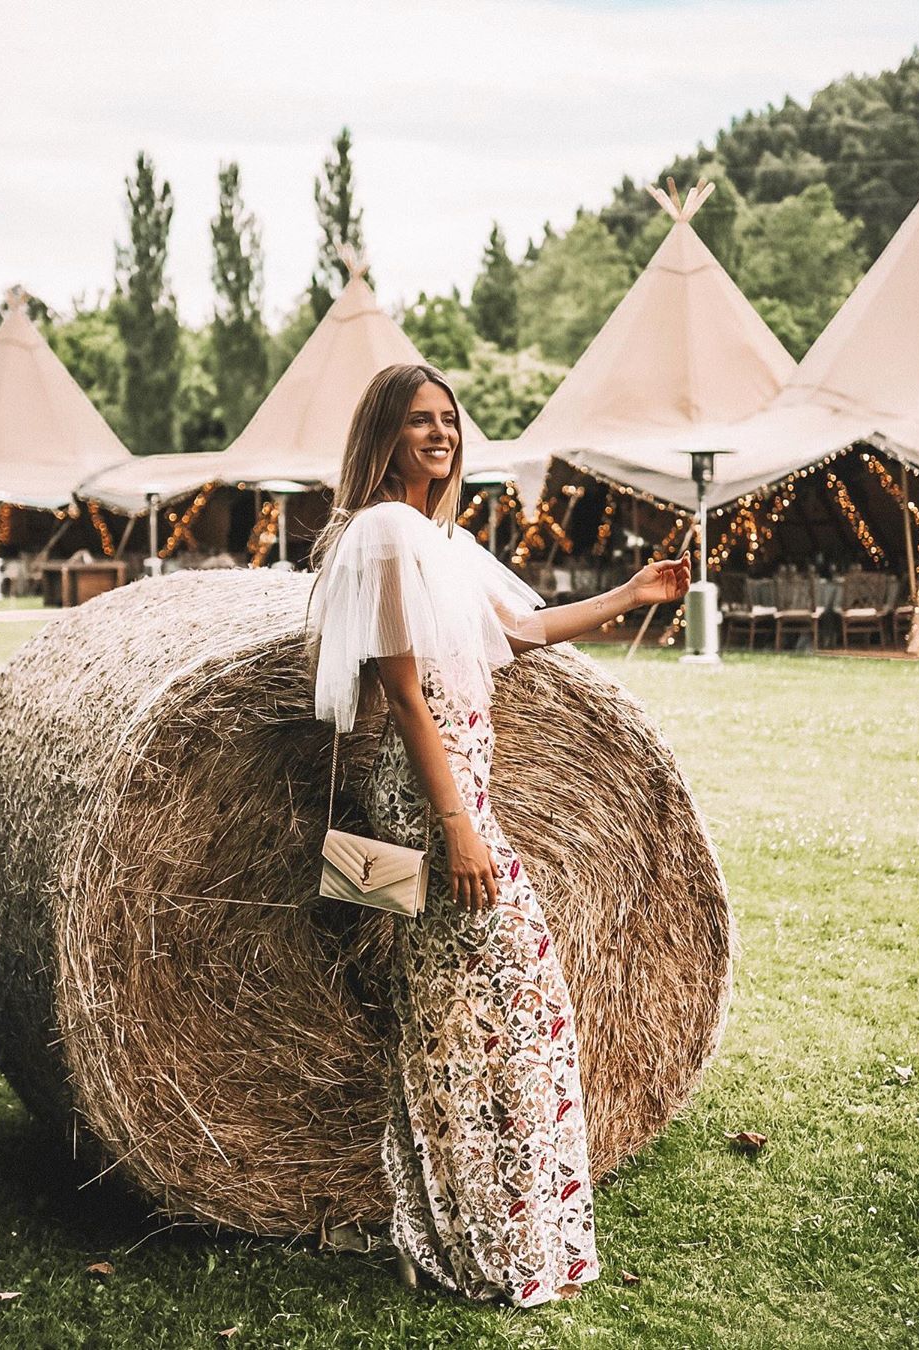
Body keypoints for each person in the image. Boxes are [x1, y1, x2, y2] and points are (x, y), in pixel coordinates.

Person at [305, 363, 691, 1308]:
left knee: (454, 1017)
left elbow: (517, 631)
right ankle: (485, 1239)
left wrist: (629, 595)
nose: (439, 435)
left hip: (457, 800)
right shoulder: (389, 534)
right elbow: (402, 694)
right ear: (383, 437)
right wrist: (459, 831)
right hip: (433, 805)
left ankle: (438, 1228)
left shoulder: (439, 540)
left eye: (447, 420)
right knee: (519, 1010)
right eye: (417, 422)